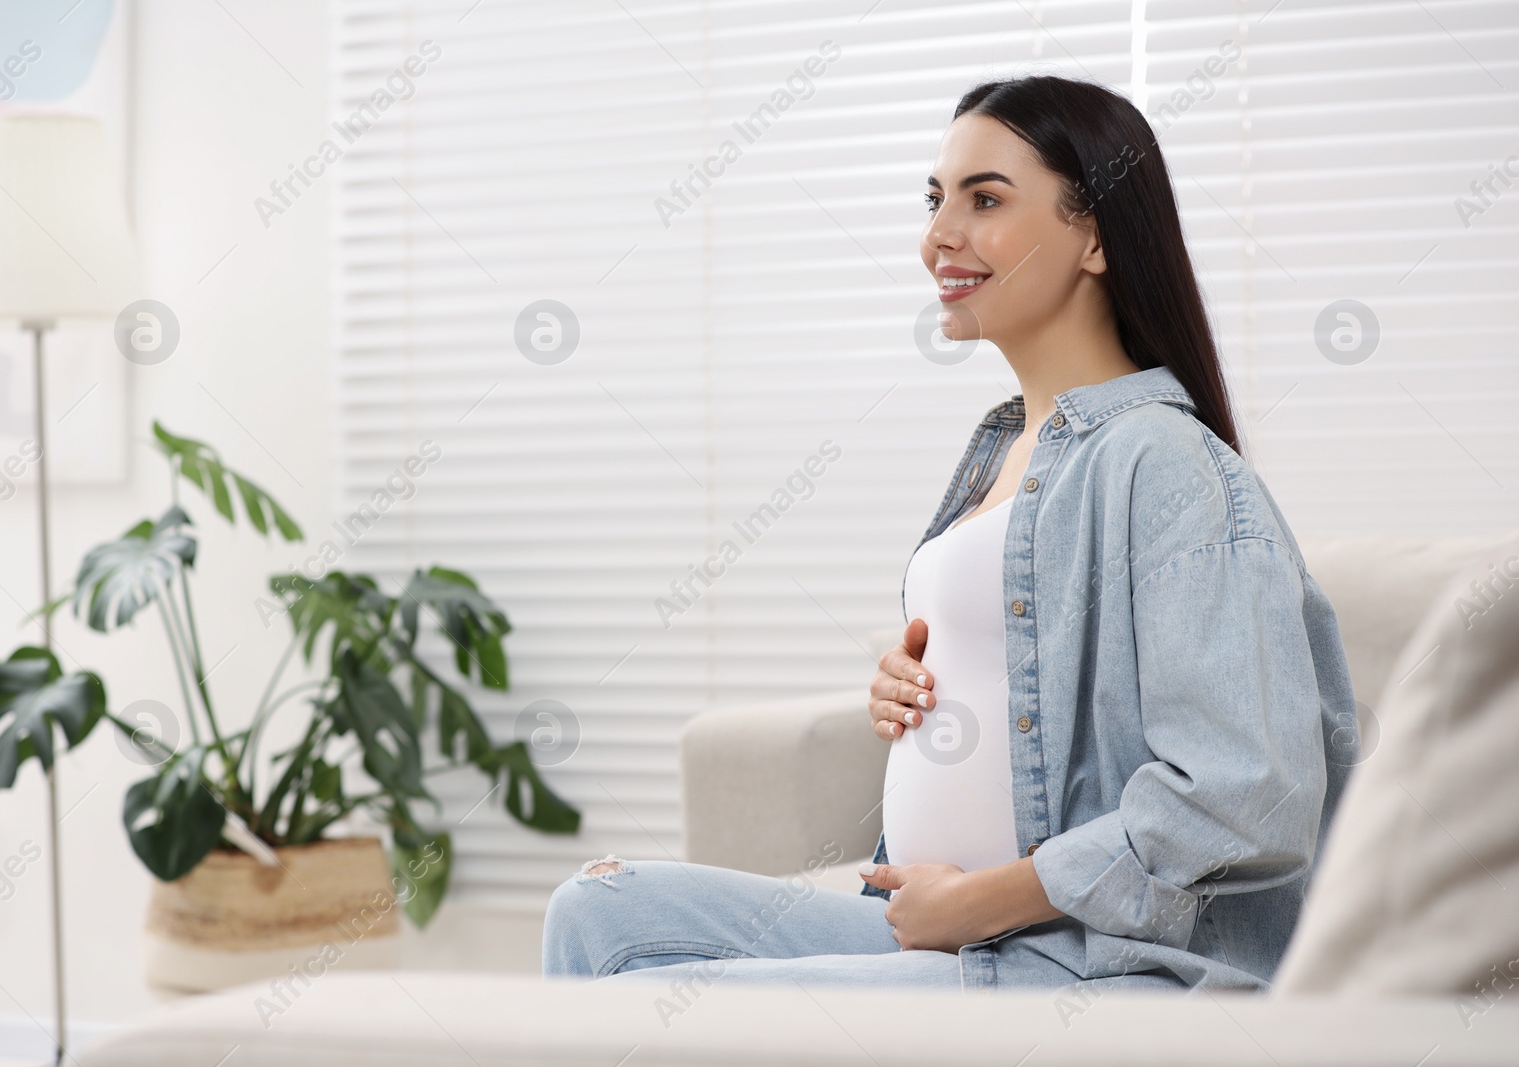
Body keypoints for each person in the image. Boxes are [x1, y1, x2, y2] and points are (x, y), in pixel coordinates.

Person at [541, 74, 1358, 996]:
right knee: (595, 912)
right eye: (936, 200)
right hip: (946, 934)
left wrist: (986, 903)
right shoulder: (1006, 447)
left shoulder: (1164, 463)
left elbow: (1250, 793)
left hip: (1078, 960)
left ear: (1092, 233)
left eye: (985, 199)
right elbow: (1031, 676)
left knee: (652, 1001)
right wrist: (915, 685)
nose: (939, 234)